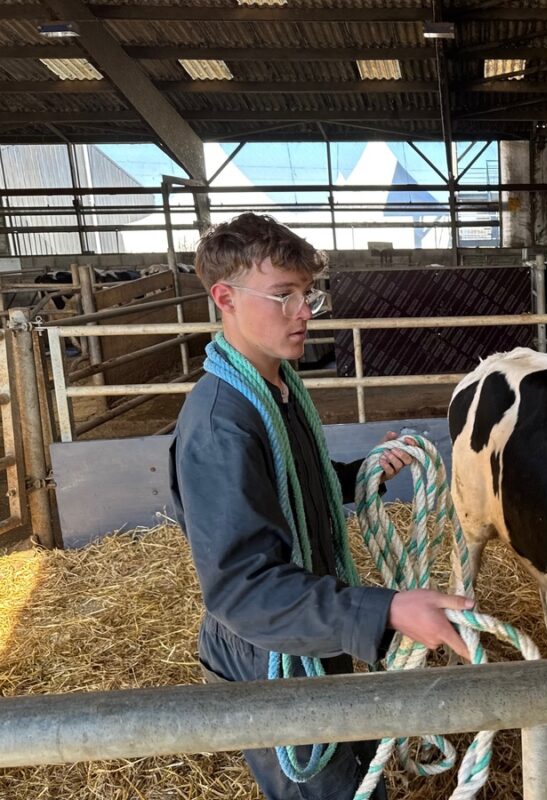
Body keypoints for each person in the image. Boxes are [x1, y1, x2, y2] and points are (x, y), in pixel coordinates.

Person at [169, 212, 472, 800]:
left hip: (312, 620)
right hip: (268, 647)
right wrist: (383, 612)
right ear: (224, 298)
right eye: (284, 296)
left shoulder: (275, 389)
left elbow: (291, 487)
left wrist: (359, 477)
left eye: (308, 295)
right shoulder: (220, 426)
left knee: (361, 779)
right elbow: (241, 589)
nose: (304, 312)